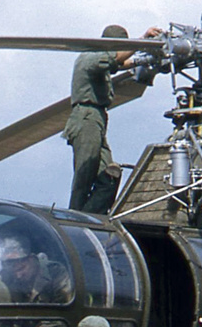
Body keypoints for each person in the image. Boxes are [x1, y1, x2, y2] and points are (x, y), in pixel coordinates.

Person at [64, 24, 160, 214]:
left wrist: (145, 60)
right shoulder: (89, 57)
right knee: (85, 175)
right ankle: (74, 216)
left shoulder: (100, 61)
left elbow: (120, 63)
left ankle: (90, 216)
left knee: (110, 175)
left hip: (97, 120)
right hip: (86, 119)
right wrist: (143, 40)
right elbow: (117, 58)